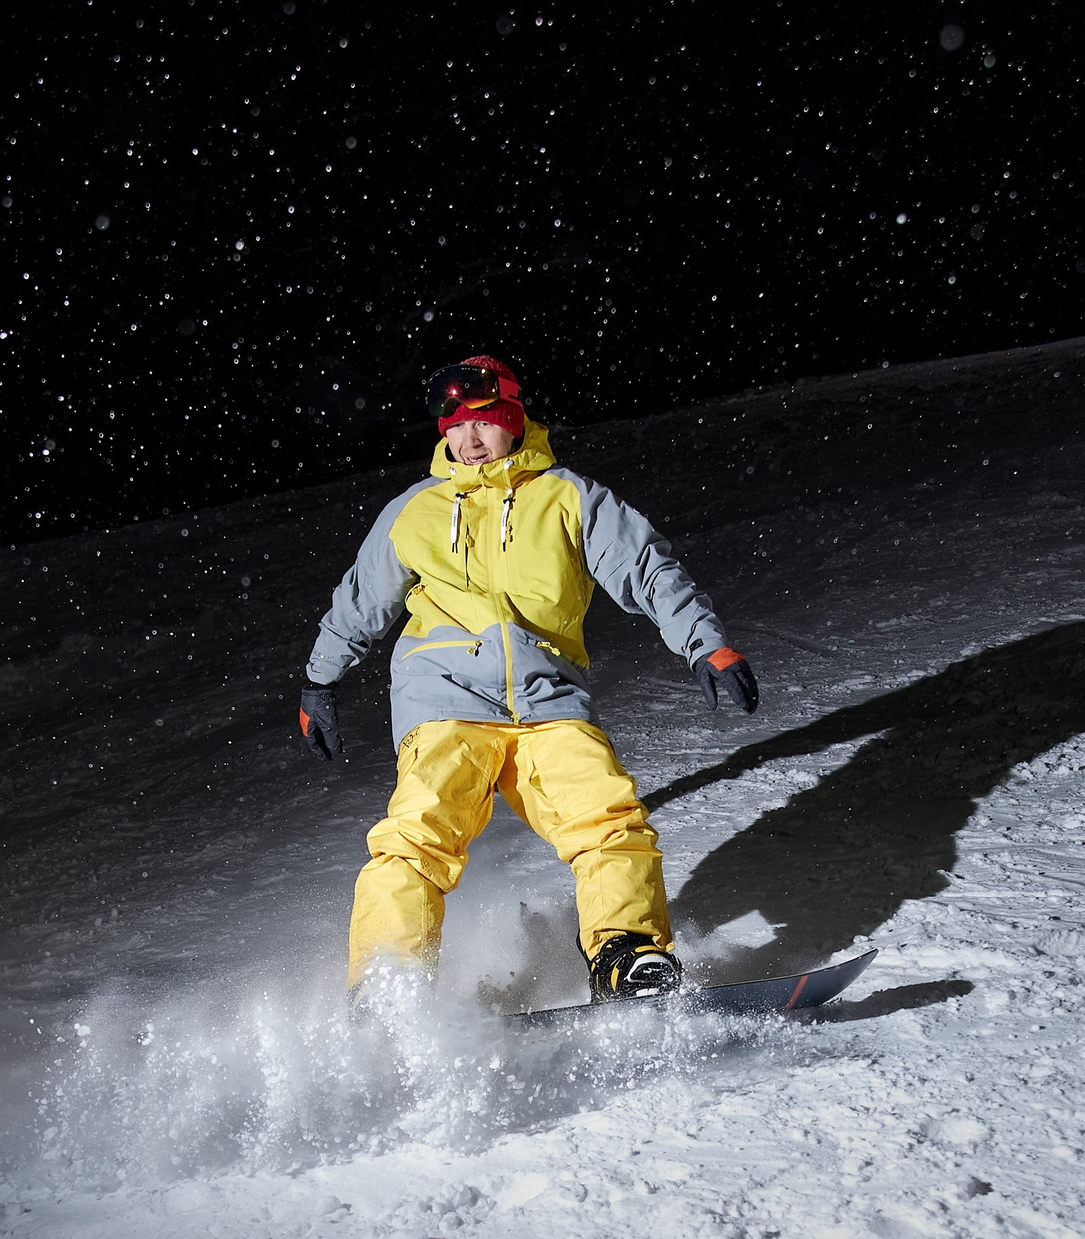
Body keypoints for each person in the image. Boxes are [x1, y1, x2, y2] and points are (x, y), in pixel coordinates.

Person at [298, 354, 759, 1001]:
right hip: (445, 704)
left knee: (607, 817)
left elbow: (646, 567)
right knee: (415, 835)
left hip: (548, 703)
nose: (468, 436)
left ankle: (626, 953)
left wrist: (705, 644)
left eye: (483, 419)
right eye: (455, 424)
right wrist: (320, 680)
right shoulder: (418, 511)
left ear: (514, 418)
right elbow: (359, 601)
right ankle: (388, 979)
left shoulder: (566, 496)